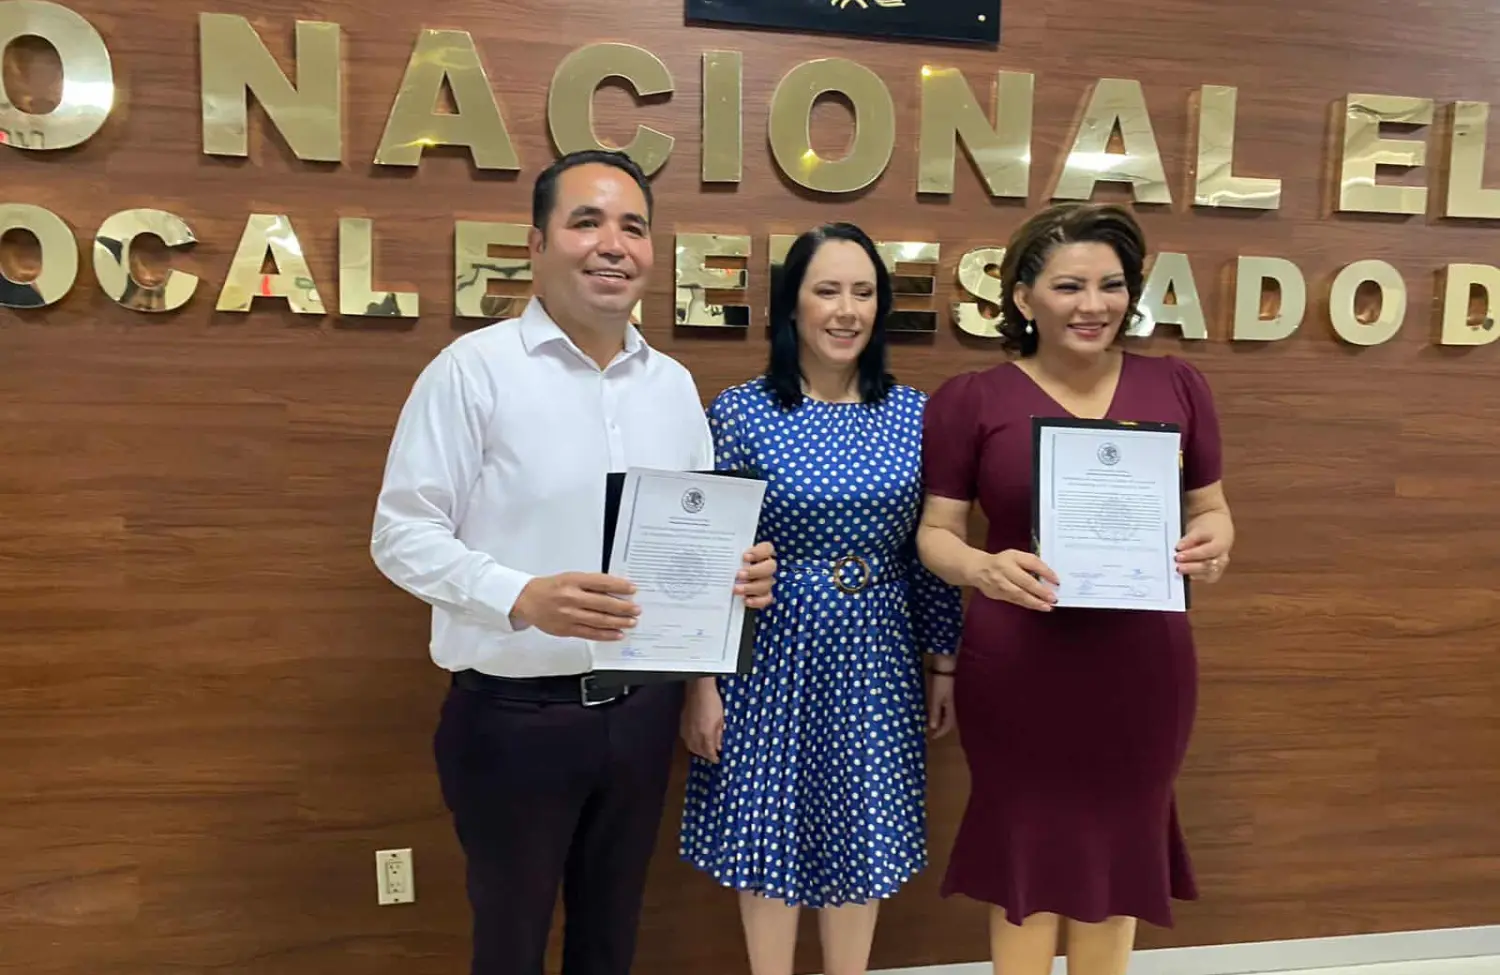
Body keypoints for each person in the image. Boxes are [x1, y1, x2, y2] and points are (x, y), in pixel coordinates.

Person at [368, 148, 778, 975]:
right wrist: (520, 595)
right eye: (586, 222)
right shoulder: (473, 372)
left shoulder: (672, 386)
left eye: (633, 227)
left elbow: (695, 543)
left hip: (641, 716)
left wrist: (735, 583)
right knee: (511, 944)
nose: (612, 245)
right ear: (536, 244)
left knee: (611, 938)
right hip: (515, 718)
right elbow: (402, 532)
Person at [916, 202, 1235, 975]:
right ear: (1023, 298)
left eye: (1110, 285)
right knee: (1024, 856)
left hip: (1142, 665)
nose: (1093, 304)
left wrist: (1214, 542)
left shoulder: (1178, 385)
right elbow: (935, 533)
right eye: (1068, 286)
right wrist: (981, 567)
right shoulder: (972, 398)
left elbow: (1213, 508)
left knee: (1120, 856)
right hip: (1019, 662)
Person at [678, 222, 965, 975]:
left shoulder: (915, 415)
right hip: (768, 654)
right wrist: (700, 683)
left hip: (877, 652)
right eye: (827, 290)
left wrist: (943, 662)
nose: (847, 310)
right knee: (767, 833)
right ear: (791, 305)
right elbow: (705, 555)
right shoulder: (741, 411)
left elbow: (931, 550)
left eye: (863, 293)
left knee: (862, 831)